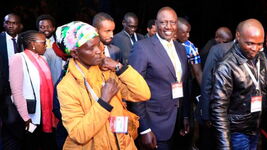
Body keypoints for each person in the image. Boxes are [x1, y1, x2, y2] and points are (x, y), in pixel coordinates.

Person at [56, 21, 150, 149]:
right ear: (75, 53)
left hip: (123, 144)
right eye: (90, 48)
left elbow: (143, 93)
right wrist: (104, 101)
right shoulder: (66, 86)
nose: (98, 51)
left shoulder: (107, 71)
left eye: (98, 44)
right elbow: (78, 134)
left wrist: (119, 67)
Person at [210, 19, 267, 150]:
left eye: (259, 44)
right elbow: (218, 110)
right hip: (236, 132)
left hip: (255, 128)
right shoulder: (226, 67)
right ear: (238, 36)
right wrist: (225, 146)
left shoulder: (262, 58)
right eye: (250, 43)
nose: (255, 49)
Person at [129, 7, 189, 150]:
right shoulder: (142, 48)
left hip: (176, 122)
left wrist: (185, 116)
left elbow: (185, 84)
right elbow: (133, 90)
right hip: (154, 124)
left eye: (172, 22)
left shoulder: (180, 48)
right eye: (163, 22)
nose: (168, 27)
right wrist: (144, 129)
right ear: (156, 24)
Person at [9, 30, 57, 150]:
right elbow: (17, 91)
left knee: (44, 143)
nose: (46, 45)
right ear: (32, 44)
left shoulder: (43, 59)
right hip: (30, 114)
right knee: (31, 143)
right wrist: (25, 117)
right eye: (43, 42)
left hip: (45, 111)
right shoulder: (18, 58)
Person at [176, 16, 202, 150]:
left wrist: (205, 94)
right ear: (175, 31)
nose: (188, 35)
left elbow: (198, 73)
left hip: (184, 89)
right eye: (184, 32)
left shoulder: (190, 47)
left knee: (184, 119)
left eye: (189, 32)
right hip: (164, 90)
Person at [0, 13, 23, 150]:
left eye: (14, 23)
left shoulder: (24, 40)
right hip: (3, 87)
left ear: (19, 25)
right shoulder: (0, 39)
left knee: (20, 117)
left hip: (21, 86)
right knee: (7, 118)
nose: (11, 25)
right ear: (4, 24)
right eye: (8, 22)